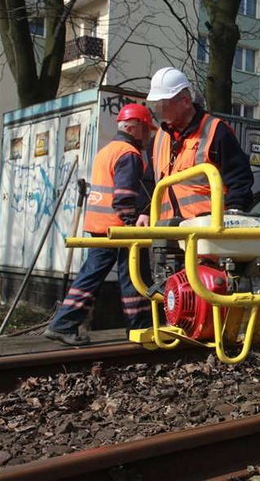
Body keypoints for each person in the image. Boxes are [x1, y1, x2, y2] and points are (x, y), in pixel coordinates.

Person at [45, 104, 157, 345]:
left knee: (92, 274)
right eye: (146, 129)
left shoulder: (108, 150)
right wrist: (131, 224)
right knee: (135, 275)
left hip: (100, 224)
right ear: (133, 126)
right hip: (117, 226)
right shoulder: (129, 154)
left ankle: (64, 323)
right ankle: (139, 325)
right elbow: (124, 196)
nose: (148, 135)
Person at [146, 67, 253, 219]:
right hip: (166, 229)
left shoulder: (216, 131)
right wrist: (144, 212)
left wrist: (235, 210)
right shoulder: (159, 139)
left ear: (185, 102)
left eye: (164, 104)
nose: (160, 110)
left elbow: (239, 176)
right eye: (157, 104)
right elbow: (149, 181)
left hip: (205, 228)